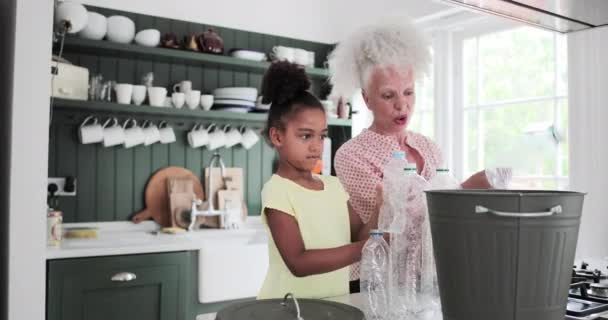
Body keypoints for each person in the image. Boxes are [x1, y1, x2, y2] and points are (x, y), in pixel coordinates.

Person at [328, 19, 493, 292]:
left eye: (408, 92)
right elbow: (396, 223)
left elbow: (440, 222)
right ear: (367, 99)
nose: (402, 104)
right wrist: (464, 189)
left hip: (428, 278)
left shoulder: (428, 147)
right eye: (388, 95)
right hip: (379, 283)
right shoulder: (351, 155)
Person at [256, 61, 381, 299]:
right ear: (277, 136)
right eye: (305, 136)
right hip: (287, 311)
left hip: (334, 307)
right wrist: (366, 248)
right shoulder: (277, 191)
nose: (316, 146)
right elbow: (298, 263)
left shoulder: (334, 186)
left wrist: (379, 208)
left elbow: (359, 237)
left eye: (321, 136)